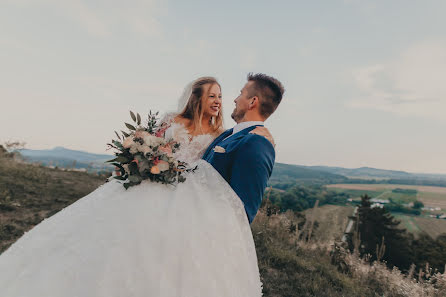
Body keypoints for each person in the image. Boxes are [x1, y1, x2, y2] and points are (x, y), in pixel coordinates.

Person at [0, 76, 276, 297]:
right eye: (213, 95)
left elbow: (244, 204)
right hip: (162, 186)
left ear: (252, 101)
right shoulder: (227, 133)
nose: (227, 100)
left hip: (190, 205)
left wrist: (224, 240)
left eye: (233, 94)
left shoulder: (249, 139)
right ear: (198, 98)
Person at [203, 73, 284, 223]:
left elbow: (242, 213)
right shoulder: (229, 134)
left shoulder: (257, 144)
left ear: (252, 101)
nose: (235, 99)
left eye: (241, 94)